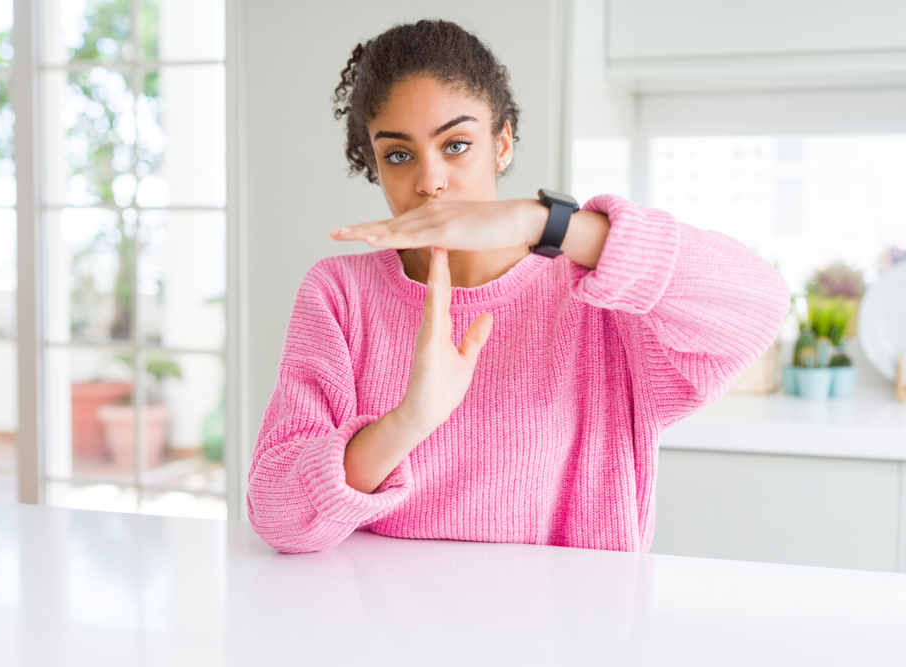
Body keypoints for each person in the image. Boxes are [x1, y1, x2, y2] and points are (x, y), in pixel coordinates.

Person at [247, 20, 790, 554]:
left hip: (567, 636)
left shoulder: (598, 297)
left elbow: (759, 303)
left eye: (456, 145)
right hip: (385, 636)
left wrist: (545, 224)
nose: (429, 179)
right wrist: (408, 421)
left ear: (502, 144)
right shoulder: (340, 295)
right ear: (375, 165)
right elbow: (277, 514)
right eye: (398, 154)